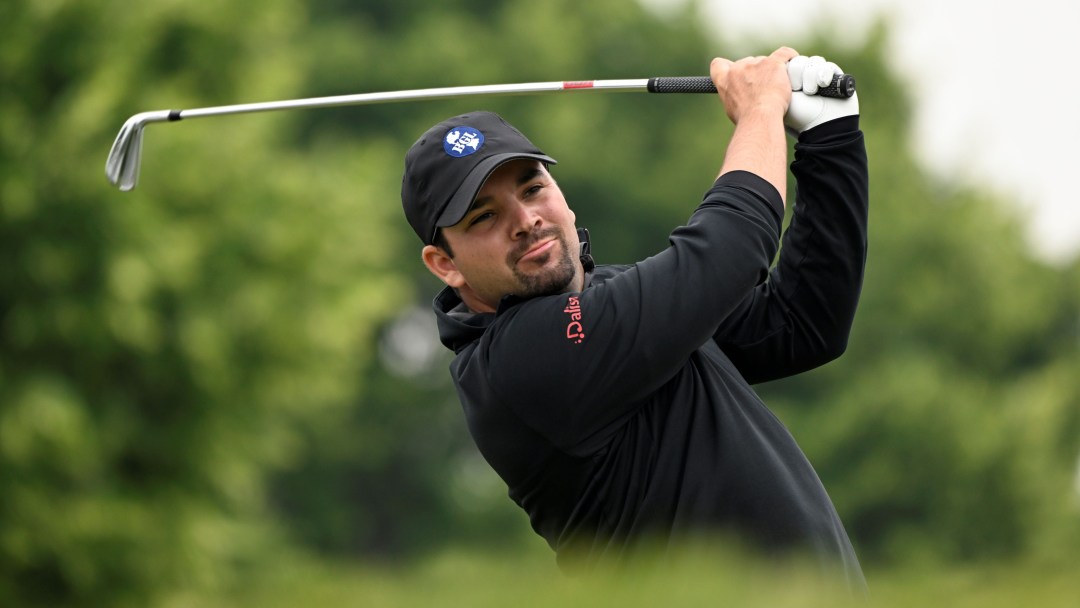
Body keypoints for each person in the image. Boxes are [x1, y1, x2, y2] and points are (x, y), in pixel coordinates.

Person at [400, 47, 868, 590]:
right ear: (445, 265)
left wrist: (829, 139)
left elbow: (802, 325)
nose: (526, 220)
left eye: (532, 189)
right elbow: (729, 251)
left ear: (562, 196)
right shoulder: (516, 363)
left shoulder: (610, 299)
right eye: (484, 217)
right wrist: (761, 110)